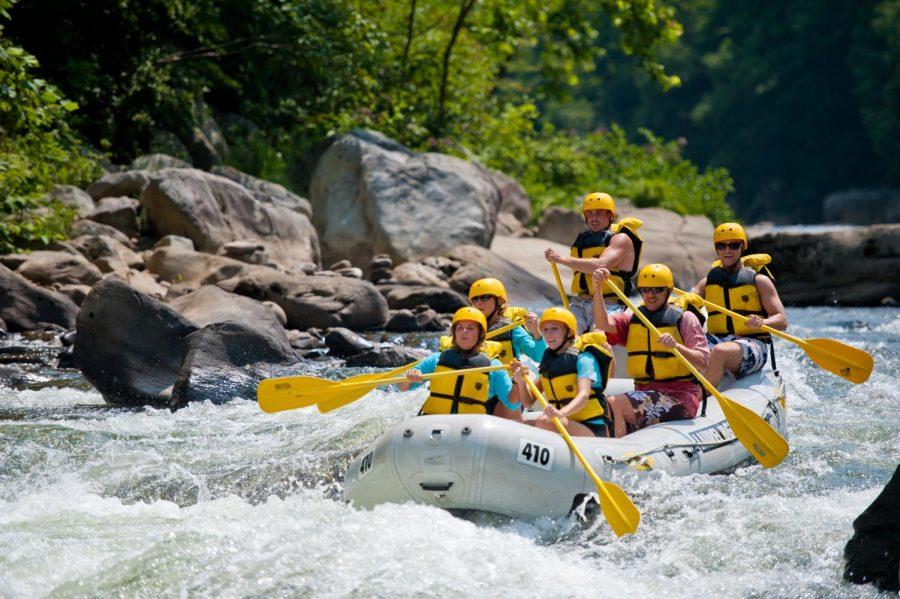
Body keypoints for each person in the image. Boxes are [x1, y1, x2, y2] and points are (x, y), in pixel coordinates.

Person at [592, 264, 710, 437]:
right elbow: (603, 324)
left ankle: (616, 450)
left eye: (657, 290)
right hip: (644, 394)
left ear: (668, 291)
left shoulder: (685, 319)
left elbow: (702, 361)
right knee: (603, 405)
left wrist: (676, 347)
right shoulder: (634, 319)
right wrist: (597, 288)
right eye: (645, 290)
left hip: (679, 399)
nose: (650, 295)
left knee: (615, 403)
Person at [691, 222, 787, 386]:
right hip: (716, 338)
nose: (727, 250)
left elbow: (782, 321)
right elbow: (688, 302)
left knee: (720, 352)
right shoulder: (707, 282)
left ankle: (696, 402)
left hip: (752, 343)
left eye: (734, 245)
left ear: (742, 247)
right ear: (717, 249)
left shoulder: (759, 281)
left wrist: (763, 322)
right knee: (683, 348)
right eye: (722, 246)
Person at [399, 307, 527, 420]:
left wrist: (517, 382)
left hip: (469, 429)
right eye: (460, 327)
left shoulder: (493, 366)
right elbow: (402, 386)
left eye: (470, 328)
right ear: (454, 333)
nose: (464, 331)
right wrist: (410, 377)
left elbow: (512, 404)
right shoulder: (437, 359)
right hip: (434, 423)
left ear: (480, 335)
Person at [544, 192, 643, 334]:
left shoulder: (621, 239)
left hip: (609, 307)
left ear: (611, 216)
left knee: (597, 339)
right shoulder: (583, 241)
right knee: (559, 335)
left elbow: (601, 264)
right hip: (580, 305)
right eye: (589, 214)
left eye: (599, 213)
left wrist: (561, 259)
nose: (593, 218)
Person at [511, 307, 614, 437]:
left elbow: (583, 396)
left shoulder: (584, 358)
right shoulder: (549, 361)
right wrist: (520, 382)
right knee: (519, 424)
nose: (549, 334)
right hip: (562, 422)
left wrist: (560, 413)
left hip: (591, 429)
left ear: (569, 332)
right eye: (545, 330)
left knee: (545, 421)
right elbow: (528, 402)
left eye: (555, 329)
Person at [467, 278, 545, 364]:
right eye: (475, 299)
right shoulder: (466, 328)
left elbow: (540, 357)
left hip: (507, 376)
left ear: (499, 301)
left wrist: (536, 331)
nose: (478, 303)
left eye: (485, 298)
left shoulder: (511, 329)